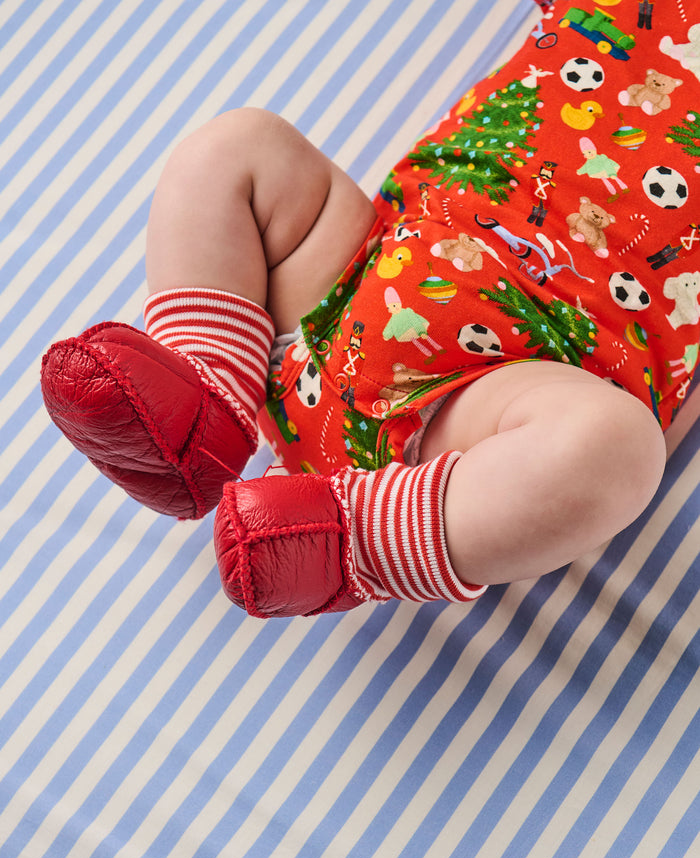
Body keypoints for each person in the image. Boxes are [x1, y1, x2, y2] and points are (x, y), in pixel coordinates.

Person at [42, 0, 699, 618]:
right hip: (344, 279)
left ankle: (356, 542)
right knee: (235, 146)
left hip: (481, 404)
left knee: (618, 448)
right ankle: (203, 407)